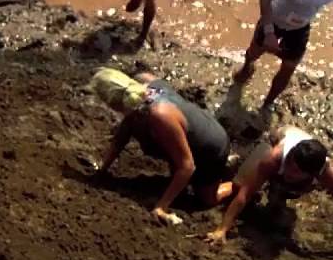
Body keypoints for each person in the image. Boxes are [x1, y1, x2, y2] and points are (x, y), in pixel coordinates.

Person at [89, 67, 234, 226]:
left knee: (206, 198)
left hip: (211, 147)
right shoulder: (142, 82)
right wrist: (102, 169)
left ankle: (237, 183)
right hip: (193, 127)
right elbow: (123, 134)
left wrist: (161, 206)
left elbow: (187, 167)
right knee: (174, 162)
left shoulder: (160, 116)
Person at [205, 125, 333, 260]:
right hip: (276, 138)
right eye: (290, 166)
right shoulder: (274, 157)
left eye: (296, 171)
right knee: (239, 187)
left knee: (283, 194)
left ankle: (277, 194)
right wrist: (222, 230)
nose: (291, 172)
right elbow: (244, 194)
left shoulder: (328, 173)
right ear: (290, 158)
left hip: (301, 165)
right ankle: (237, 164)